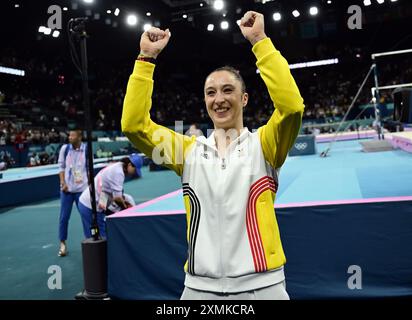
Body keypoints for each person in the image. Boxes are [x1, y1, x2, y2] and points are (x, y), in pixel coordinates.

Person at [122, 11, 304, 300]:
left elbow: (292, 108)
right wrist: (145, 60)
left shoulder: (265, 145)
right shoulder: (186, 152)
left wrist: (260, 41)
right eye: (210, 93)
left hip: (262, 286)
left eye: (228, 90)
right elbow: (133, 125)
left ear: (244, 99)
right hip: (198, 288)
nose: (219, 99)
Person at [78, 154, 143, 239]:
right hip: (89, 206)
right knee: (96, 238)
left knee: (99, 236)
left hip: (96, 202)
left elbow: (113, 195)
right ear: (130, 165)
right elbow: (117, 198)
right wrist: (125, 208)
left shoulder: (118, 167)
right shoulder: (119, 172)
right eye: (135, 170)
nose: (135, 173)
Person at [57, 129, 88, 257]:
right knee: (64, 218)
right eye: (69, 135)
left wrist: (90, 187)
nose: (69, 137)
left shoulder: (87, 150)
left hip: (82, 191)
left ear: (79, 137)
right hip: (67, 191)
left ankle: (90, 239)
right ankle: (62, 244)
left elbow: (89, 169)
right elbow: (61, 167)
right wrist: (63, 182)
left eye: (72, 135)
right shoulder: (65, 149)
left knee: (86, 216)